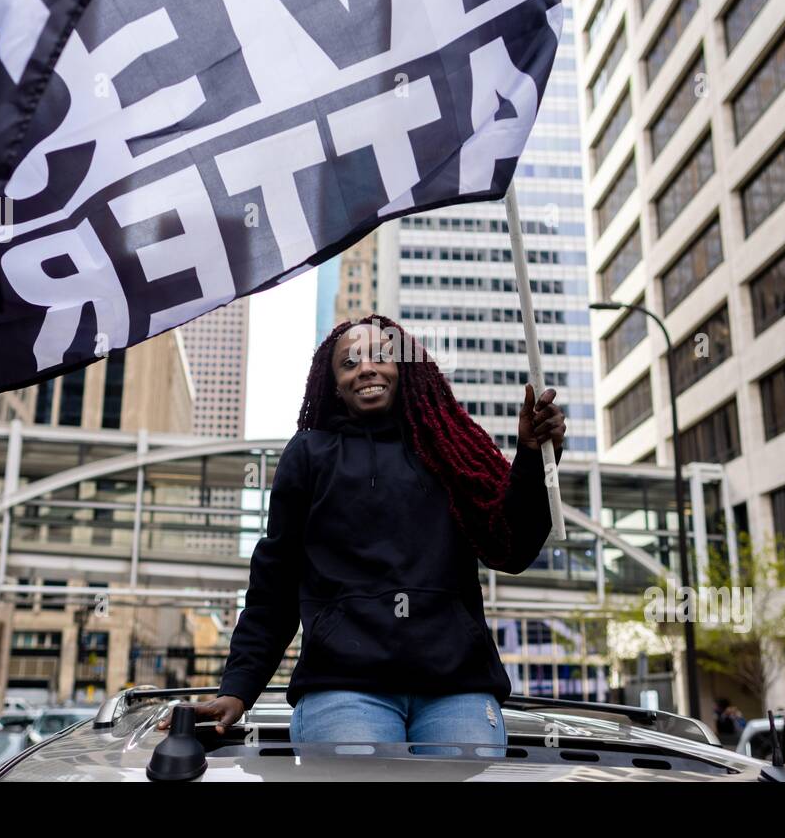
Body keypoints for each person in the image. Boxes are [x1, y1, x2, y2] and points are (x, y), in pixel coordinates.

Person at [186, 313, 565, 751]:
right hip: (343, 687)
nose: (365, 368)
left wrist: (534, 459)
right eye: (349, 363)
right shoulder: (308, 455)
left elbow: (511, 548)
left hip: (457, 687)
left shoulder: (449, 452)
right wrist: (239, 687)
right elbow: (276, 584)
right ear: (333, 385)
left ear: (405, 370)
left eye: (381, 357)